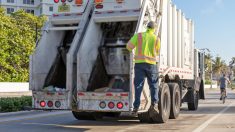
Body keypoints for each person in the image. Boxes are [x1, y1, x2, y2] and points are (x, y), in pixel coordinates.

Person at [126, 21, 161, 113]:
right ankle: (154, 105)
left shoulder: (139, 36)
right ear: (154, 29)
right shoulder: (156, 39)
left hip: (139, 64)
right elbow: (157, 52)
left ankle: (136, 107)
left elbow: (129, 47)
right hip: (151, 65)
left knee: (138, 85)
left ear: (147, 27)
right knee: (153, 85)